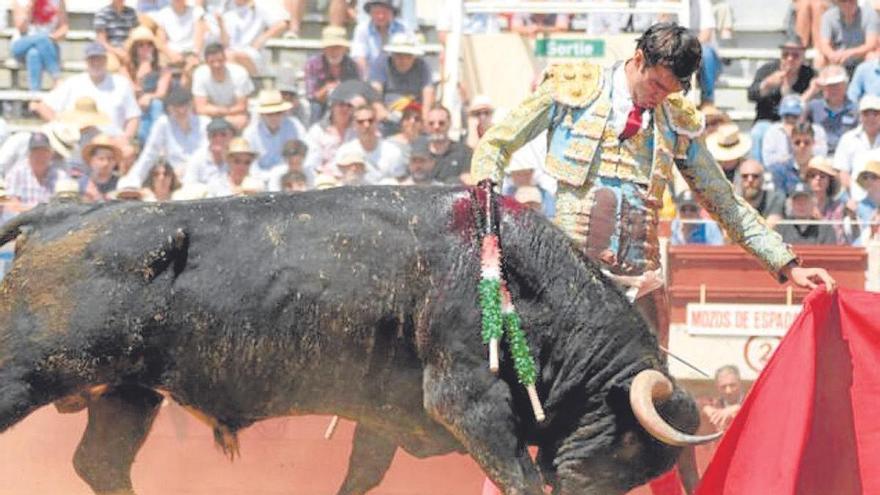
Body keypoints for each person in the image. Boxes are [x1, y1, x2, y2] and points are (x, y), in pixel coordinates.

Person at [470, 23, 835, 347]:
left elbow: (723, 199)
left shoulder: (675, 118)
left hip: (639, 282)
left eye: (671, 90)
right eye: (657, 84)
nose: (659, 96)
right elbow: (497, 142)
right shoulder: (575, 87)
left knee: (652, 395)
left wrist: (786, 264)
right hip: (569, 272)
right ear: (639, 59)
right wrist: (487, 208)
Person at [34, 42, 141, 146]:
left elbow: (133, 116)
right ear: (86, 61)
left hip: (111, 143)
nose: (96, 63)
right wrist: (61, 128)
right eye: (92, 59)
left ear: (106, 60)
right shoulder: (73, 83)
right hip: (77, 143)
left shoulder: (121, 84)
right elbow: (43, 106)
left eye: (99, 59)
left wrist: (126, 137)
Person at [121, 87, 207, 187]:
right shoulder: (163, 123)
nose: (181, 111)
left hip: (201, 176)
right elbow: (150, 153)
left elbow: (206, 155)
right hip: (173, 178)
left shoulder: (204, 123)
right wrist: (134, 179)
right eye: (176, 108)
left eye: (185, 106)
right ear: (170, 109)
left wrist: (189, 170)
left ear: (191, 105)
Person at [747, 35, 815, 160]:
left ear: (803, 57)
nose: (790, 59)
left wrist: (793, 89)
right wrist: (766, 84)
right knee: (758, 132)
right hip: (769, 120)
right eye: (786, 55)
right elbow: (751, 95)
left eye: (795, 55)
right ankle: (756, 169)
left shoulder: (809, 75)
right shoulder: (767, 70)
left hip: (798, 122)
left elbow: (811, 104)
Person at [372, 32, 435, 127]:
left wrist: (424, 119)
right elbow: (375, 91)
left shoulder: (422, 66)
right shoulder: (381, 63)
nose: (403, 60)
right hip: (387, 118)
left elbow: (428, 92)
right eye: (398, 55)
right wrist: (382, 112)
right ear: (392, 55)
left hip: (414, 117)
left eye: (408, 56)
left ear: (414, 56)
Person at [123, 26, 173, 144]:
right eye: (141, 45)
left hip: (154, 105)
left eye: (149, 45)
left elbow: (161, 92)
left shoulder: (163, 69)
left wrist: (148, 97)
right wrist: (143, 71)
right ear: (134, 49)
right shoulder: (125, 69)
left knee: (156, 104)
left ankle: (156, 141)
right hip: (133, 104)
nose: (146, 48)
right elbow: (132, 90)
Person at [333, 105, 405, 184]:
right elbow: (337, 179)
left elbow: (399, 181)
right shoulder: (344, 151)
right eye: (361, 122)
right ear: (354, 125)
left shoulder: (392, 151)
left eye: (370, 121)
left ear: (377, 123)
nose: (366, 125)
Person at [243, 89, 307, 178]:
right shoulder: (250, 134)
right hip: (262, 180)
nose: (274, 117)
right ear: (262, 114)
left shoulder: (294, 126)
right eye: (269, 114)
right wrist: (270, 177)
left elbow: (306, 150)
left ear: (284, 112)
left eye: (278, 113)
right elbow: (250, 165)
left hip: (291, 177)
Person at [304, 25, 361, 125]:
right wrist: (327, 88)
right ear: (324, 49)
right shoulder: (313, 64)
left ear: (344, 49)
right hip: (321, 102)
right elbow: (311, 95)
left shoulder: (353, 66)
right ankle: (314, 131)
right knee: (315, 106)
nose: (333, 52)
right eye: (329, 48)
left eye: (337, 47)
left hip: (346, 100)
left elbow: (357, 90)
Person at [191, 42, 254, 131]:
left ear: (225, 59)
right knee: (201, 122)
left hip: (233, 115)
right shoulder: (200, 74)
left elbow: (242, 106)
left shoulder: (240, 73)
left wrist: (218, 112)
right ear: (206, 62)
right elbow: (200, 108)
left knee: (240, 121)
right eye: (212, 62)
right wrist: (223, 112)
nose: (216, 65)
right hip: (211, 116)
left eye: (220, 61)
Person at [10, 0, 68, 90]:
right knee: (41, 38)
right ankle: (57, 78)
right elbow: (21, 28)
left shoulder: (58, 2)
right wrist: (30, 8)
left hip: (48, 47)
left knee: (34, 53)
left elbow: (64, 29)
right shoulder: (20, 1)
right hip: (21, 44)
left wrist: (49, 40)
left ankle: (34, 96)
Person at [221, 0, 289, 75]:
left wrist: (262, 38)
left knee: (228, 56)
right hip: (230, 50)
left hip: (252, 53)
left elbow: (282, 24)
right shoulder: (227, 6)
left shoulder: (261, 4)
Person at [834, 94, 880, 202]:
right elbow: (842, 171)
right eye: (866, 114)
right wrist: (852, 198)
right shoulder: (848, 139)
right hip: (855, 199)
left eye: (876, 113)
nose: (871, 118)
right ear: (860, 116)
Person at [761, 94, 827, 169]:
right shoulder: (773, 131)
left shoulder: (817, 131)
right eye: (786, 116)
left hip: (810, 171)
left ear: (804, 115)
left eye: (795, 117)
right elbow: (768, 161)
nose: (790, 120)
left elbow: (821, 156)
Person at [3, 132, 69, 207]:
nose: (40, 156)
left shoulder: (60, 176)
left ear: (50, 154)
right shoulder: (16, 174)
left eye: (44, 152)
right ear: (29, 154)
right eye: (36, 152)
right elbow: (12, 206)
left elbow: (65, 205)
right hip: (23, 218)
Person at [804, 156, 858, 245]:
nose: (818, 179)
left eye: (822, 176)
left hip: (834, 253)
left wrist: (853, 217)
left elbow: (853, 236)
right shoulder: (800, 206)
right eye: (813, 175)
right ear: (807, 180)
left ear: (830, 180)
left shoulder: (840, 207)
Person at [350, 0, 410, 80]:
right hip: (370, 75)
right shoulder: (362, 29)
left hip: (398, 75)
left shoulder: (404, 28)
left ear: (392, 13)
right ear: (370, 13)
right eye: (376, 12)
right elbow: (359, 57)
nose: (380, 16)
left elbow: (411, 55)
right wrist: (367, 80)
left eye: (384, 12)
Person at [805, 64, 858, 154]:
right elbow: (793, 116)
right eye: (829, 85)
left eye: (837, 85)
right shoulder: (814, 106)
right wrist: (811, 91)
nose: (833, 89)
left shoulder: (856, 109)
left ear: (845, 85)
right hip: (819, 155)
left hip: (847, 154)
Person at [303, 90, 357, 177]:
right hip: (324, 179)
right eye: (341, 104)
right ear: (332, 107)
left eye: (349, 105)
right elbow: (311, 163)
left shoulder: (358, 130)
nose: (345, 109)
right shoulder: (317, 131)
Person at [817, 0, 879, 74]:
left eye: (851, 1)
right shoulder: (828, 17)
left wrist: (849, 53)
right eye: (844, 1)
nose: (848, 4)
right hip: (838, 59)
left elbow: (871, 44)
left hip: (861, 58)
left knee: (872, 56)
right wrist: (832, 55)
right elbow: (824, 44)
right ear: (837, 3)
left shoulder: (869, 15)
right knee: (820, 59)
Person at [424, 104, 472, 185]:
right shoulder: (419, 152)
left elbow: (469, 182)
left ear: (449, 123)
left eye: (441, 123)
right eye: (431, 123)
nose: (436, 127)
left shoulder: (464, 153)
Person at [182, 116, 234, 187]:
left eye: (223, 134)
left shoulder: (238, 156)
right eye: (214, 135)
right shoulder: (198, 158)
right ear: (208, 137)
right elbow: (189, 184)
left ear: (231, 136)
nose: (218, 139)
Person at [768, 122, 815, 196]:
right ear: (791, 143)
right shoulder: (780, 170)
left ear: (813, 143)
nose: (802, 146)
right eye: (797, 142)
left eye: (806, 142)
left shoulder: (820, 170)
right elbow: (780, 200)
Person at [94, 0, 139, 70]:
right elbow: (101, 42)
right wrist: (118, 52)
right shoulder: (102, 14)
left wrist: (127, 51)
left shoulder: (131, 13)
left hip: (128, 50)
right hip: (110, 51)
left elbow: (133, 36)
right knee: (113, 65)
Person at [701, 365, 744, 432]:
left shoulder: (752, 401)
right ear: (717, 388)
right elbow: (697, 404)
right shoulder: (715, 404)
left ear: (740, 383)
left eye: (732, 385)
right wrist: (705, 408)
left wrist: (740, 408)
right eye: (723, 387)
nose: (728, 391)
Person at [79, 133, 121, 202]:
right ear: (91, 160)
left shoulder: (120, 184)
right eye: (101, 159)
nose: (106, 163)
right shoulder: (81, 183)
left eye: (110, 159)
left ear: (115, 162)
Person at [854, 159, 880, 244]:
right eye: (865, 177)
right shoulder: (860, 206)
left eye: (874, 177)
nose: (869, 180)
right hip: (866, 246)